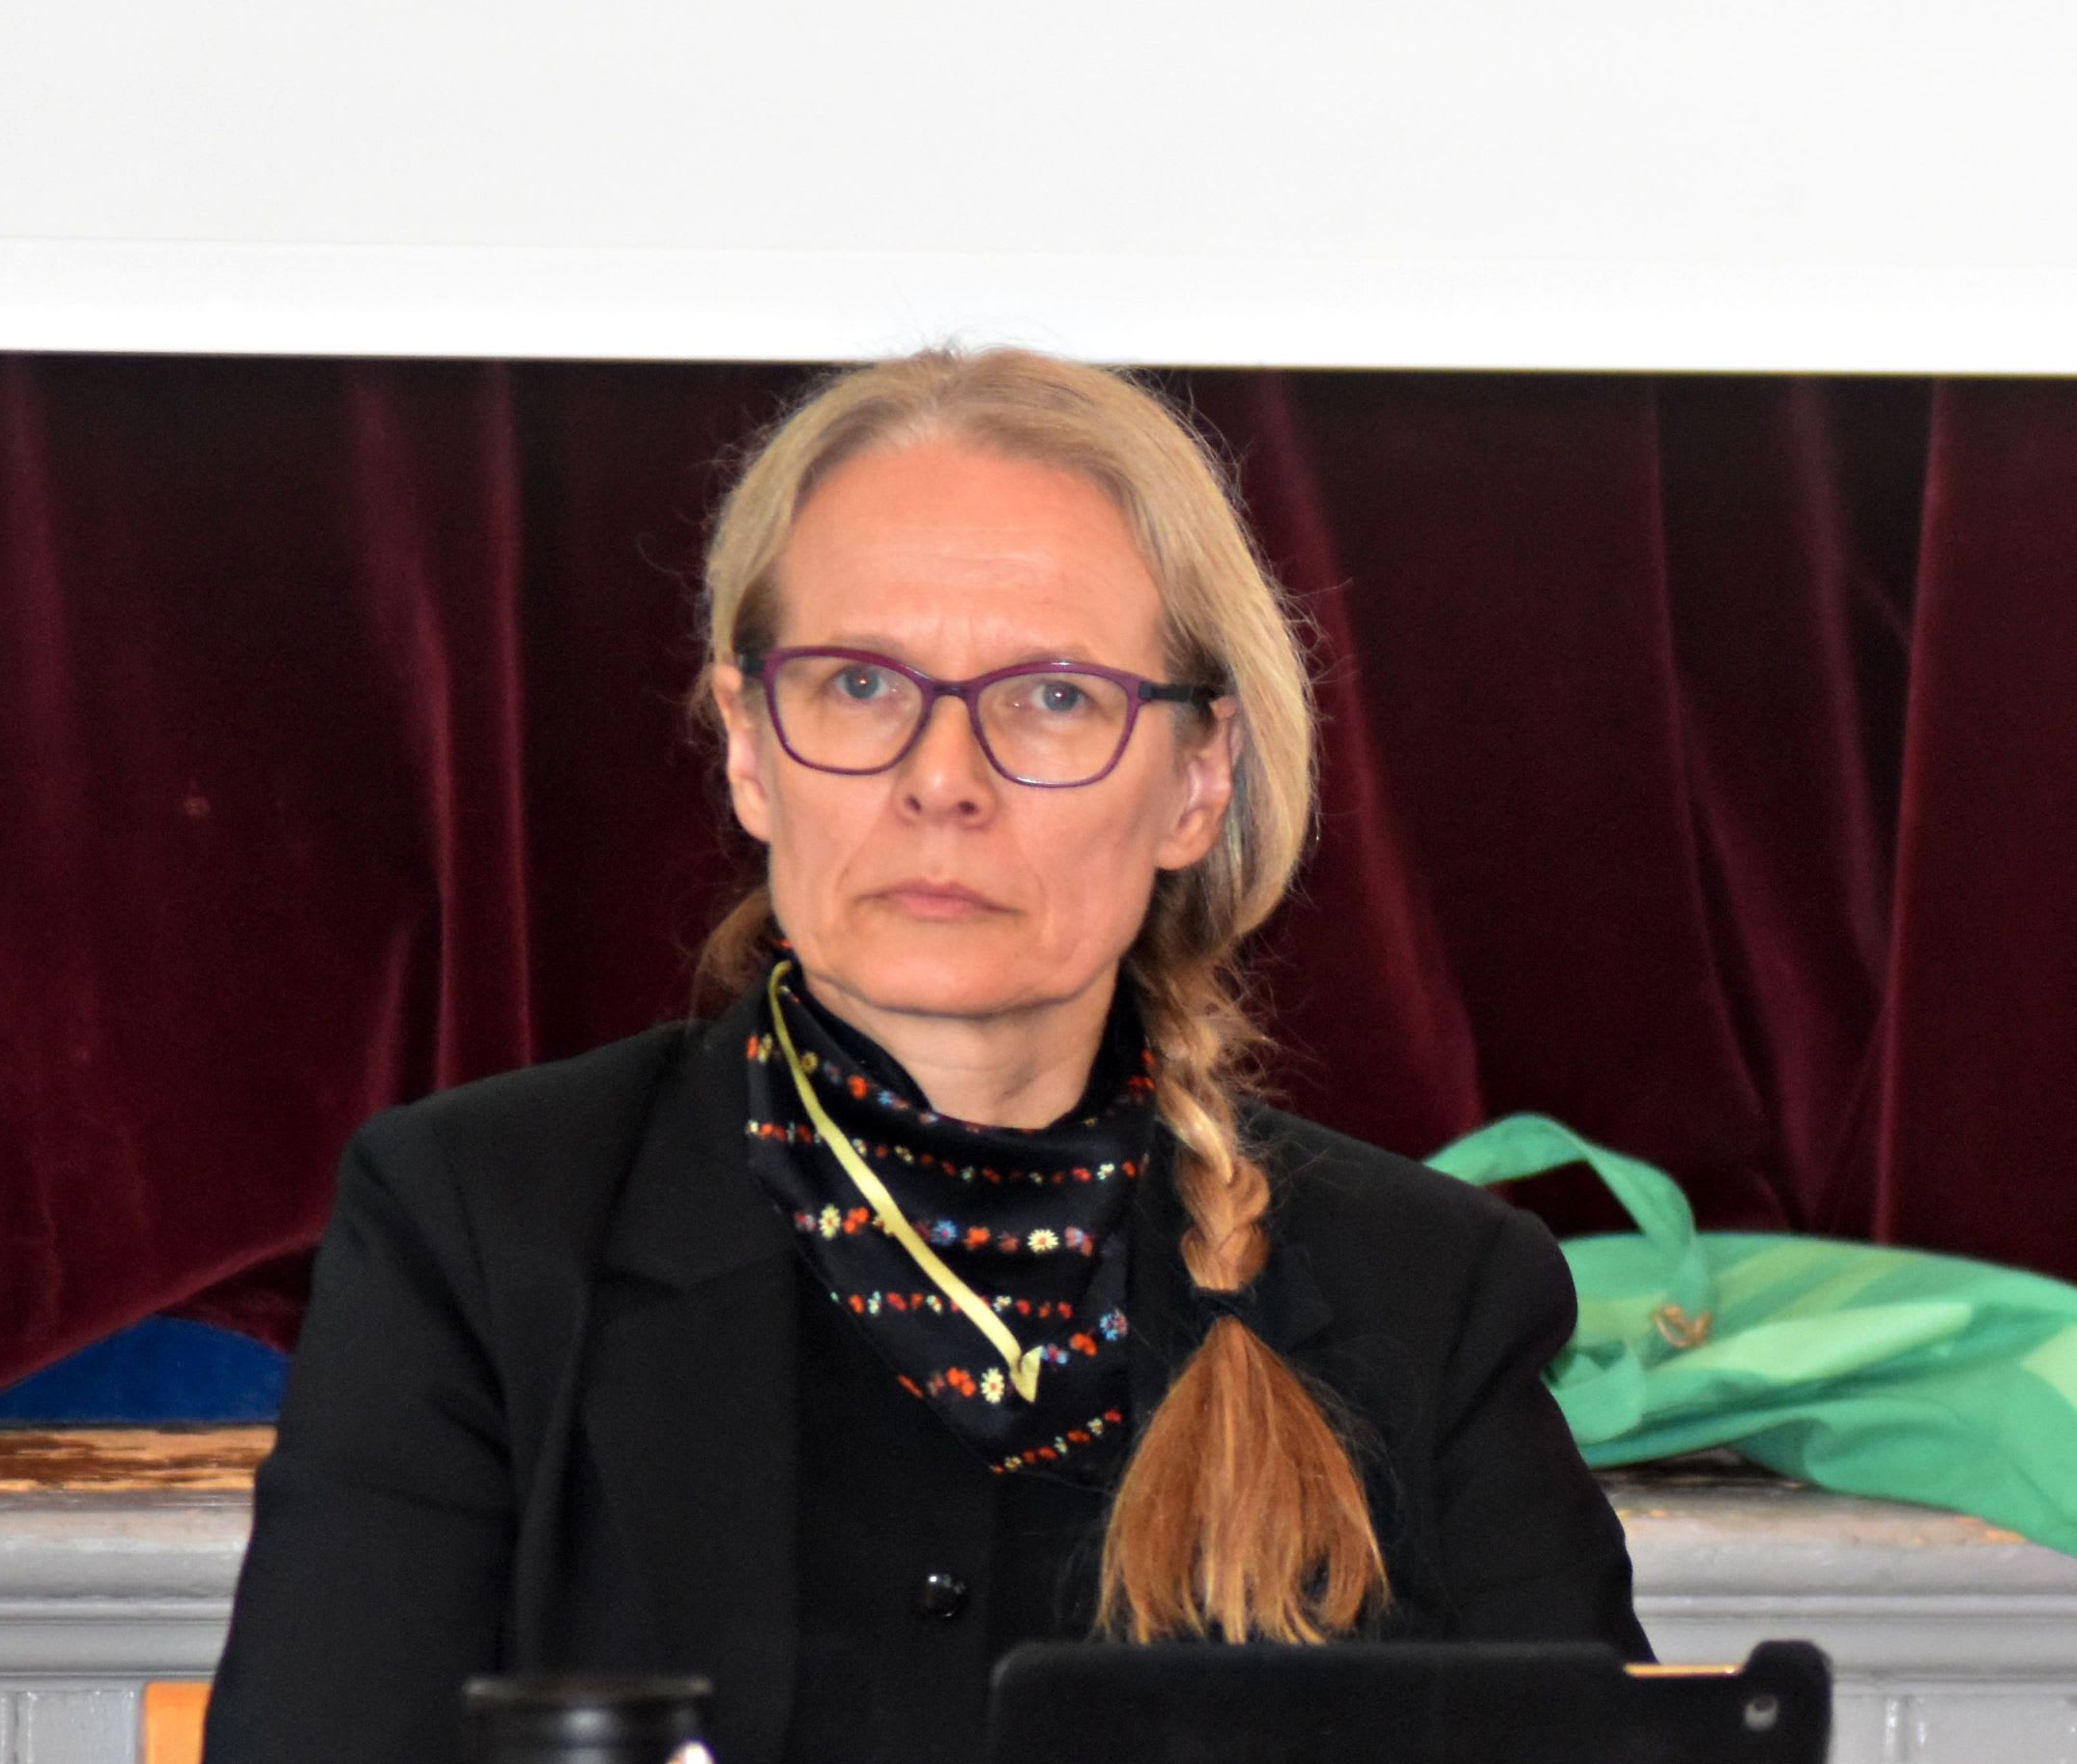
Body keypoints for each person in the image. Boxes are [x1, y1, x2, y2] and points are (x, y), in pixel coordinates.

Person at [204, 348, 1648, 1764]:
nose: (940, 781)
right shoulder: (479, 1229)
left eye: (1054, 696)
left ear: (1198, 782)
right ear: (749, 747)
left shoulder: (1428, 1293)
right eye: (859, 685)